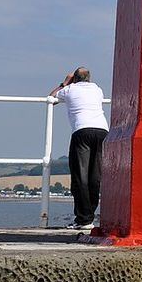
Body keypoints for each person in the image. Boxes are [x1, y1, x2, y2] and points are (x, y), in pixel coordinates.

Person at [49, 67, 108, 230]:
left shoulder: (69, 89)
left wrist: (64, 82)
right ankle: (89, 216)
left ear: (75, 79)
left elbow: (50, 97)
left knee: (80, 176)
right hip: (102, 131)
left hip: (82, 131)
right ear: (89, 78)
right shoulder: (97, 90)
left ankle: (83, 219)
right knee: (95, 176)